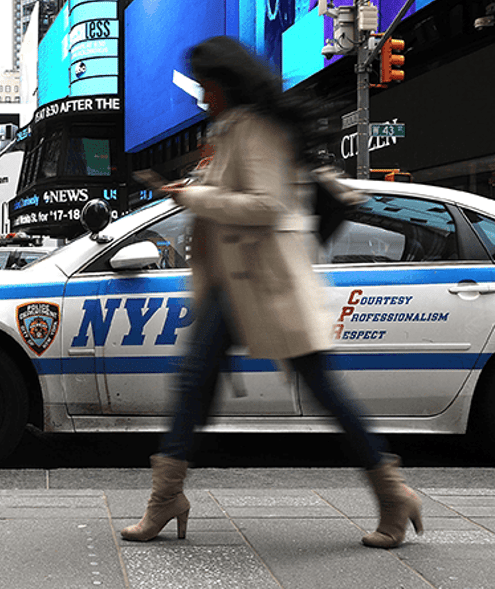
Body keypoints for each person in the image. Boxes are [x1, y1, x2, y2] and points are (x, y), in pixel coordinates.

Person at [121, 36, 423, 549]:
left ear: (221, 84)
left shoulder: (255, 127)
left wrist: (195, 194)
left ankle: (393, 493)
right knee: (193, 384)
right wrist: (194, 188)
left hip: (268, 283)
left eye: (204, 84)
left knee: (323, 389)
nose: (200, 93)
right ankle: (165, 498)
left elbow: (265, 205)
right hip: (235, 284)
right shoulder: (233, 126)